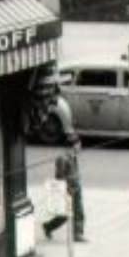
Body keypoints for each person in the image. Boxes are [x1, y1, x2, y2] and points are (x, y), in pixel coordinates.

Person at [40, 77, 85, 241]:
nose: (79, 149)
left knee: (79, 211)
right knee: (64, 214)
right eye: (77, 146)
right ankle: (48, 226)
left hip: (76, 185)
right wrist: (67, 189)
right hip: (68, 188)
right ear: (71, 146)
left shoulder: (73, 157)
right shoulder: (63, 158)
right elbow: (59, 178)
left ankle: (78, 233)